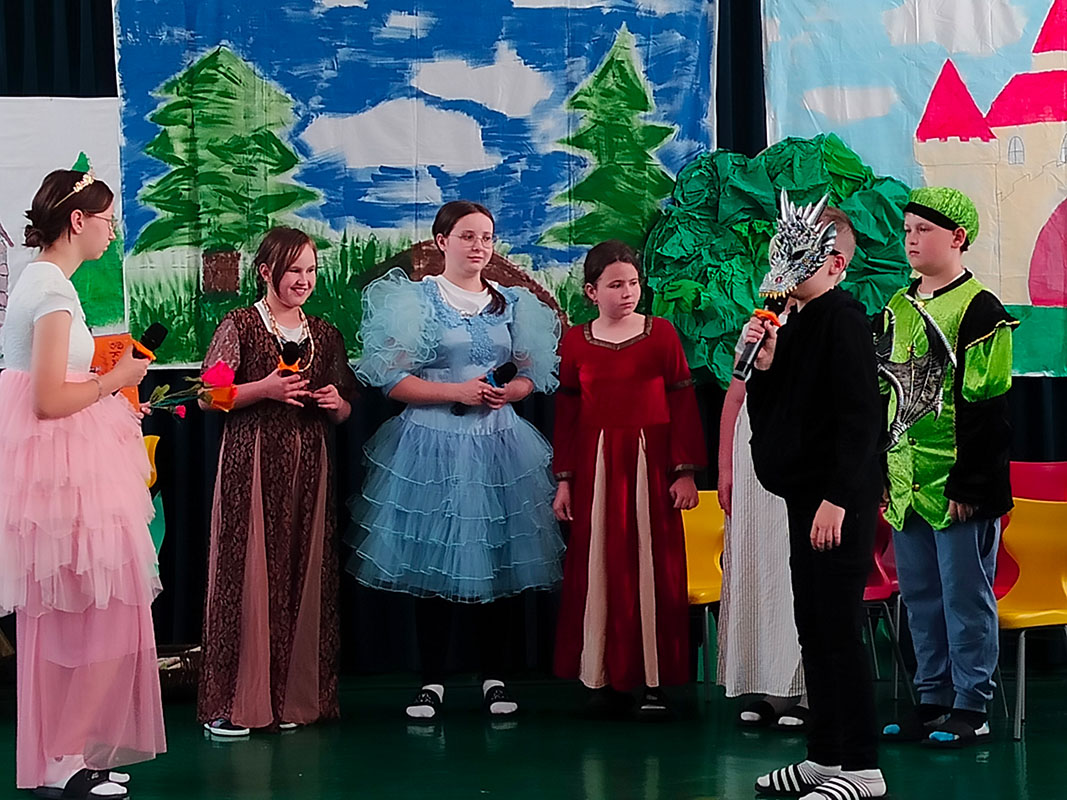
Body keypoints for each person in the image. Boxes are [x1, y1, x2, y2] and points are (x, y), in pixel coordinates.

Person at [349, 200, 562, 721]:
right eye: (467, 236)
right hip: (432, 442)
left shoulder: (513, 302)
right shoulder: (417, 299)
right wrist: (455, 392)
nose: (479, 246)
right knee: (431, 559)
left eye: (486, 237)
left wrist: (509, 392)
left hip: (497, 443)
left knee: (500, 555)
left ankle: (495, 677)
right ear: (442, 241)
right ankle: (432, 680)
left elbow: (532, 374)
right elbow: (393, 381)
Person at [0, 169, 165, 798]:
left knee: (77, 612)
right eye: (106, 219)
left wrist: (108, 395)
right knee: (96, 610)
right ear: (77, 221)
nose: (111, 231)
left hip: (65, 463)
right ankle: (64, 755)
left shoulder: (45, 282)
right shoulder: (50, 289)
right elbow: (46, 398)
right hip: (61, 469)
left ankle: (62, 753)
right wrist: (113, 381)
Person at [744, 199, 888, 799]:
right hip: (806, 497)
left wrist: (838, 498)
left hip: (836, 502)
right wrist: (764, 366)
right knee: (814, 626)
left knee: (838, 628)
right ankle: (825, 754)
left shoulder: (845, 319)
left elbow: (862, 419)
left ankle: (862, 767)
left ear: (834, 263)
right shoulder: (795, 323)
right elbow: (782, 415)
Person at [198, 227, 356, 737]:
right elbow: (208, 396)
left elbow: (345, 408)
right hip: (252, 463)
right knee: (245, 574)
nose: (304, 280)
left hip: (309, 467)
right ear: (266, 272)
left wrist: (336, 404)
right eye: (294, 271)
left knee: (301, 571)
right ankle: (233, 703)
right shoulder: (240, 325)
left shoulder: (324, 334)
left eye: (311, 270)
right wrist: (261, 389)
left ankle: (291, 699)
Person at [878, 187, 1017, 748]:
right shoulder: (896, 305)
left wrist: (971, 484)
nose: (912, 240)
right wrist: (883, 474)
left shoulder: (981, 311)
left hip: (957, 485)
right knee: (920, 597)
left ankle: (971, 705)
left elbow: (988, 407)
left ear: (957, 237)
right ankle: (932, 698)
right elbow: (884, 396)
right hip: (905, 482)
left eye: (925, 230)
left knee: (965, 598)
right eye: (908, 230)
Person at [551, 240, 704, 721]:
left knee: (652, 567)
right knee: (600, 566)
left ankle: (654, 681)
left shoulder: (661, 334)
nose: (628, 293)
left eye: (634, 283)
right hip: (597, 468)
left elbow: (682, 402)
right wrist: (565, 481)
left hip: (650, 465)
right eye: (616, 285)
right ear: (592, 292)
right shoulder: (576, 342)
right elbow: (569, 413)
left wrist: (684, 472)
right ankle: (601, 676)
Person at [717, 326, 807, 730]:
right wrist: (725, 468)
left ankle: (810, 690)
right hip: (753, 459)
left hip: (799, 451)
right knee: (763, 570)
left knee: (796, 572)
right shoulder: (758, 327)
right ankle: (774, 687)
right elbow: (736, 395)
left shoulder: (829, 323)